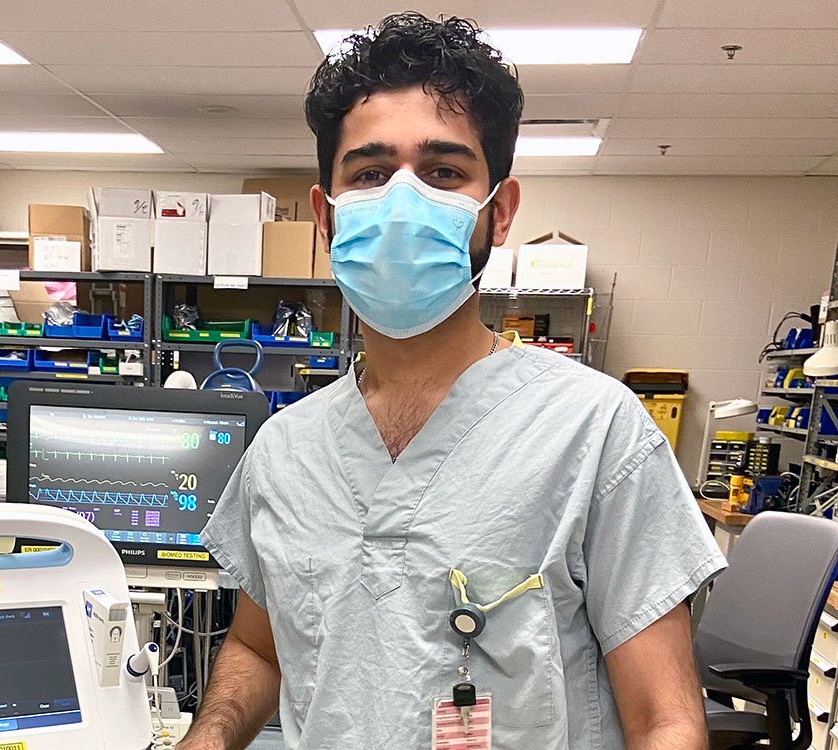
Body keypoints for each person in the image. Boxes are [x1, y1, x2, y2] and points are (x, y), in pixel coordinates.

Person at [179, 13, 726, 750]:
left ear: (496, 212)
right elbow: (259, 647)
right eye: (370, 173)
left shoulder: (595, 433)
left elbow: (666, 720)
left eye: (443, 172)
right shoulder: (285, 450)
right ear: (326, 214)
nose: (402, 201)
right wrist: (208, 737)